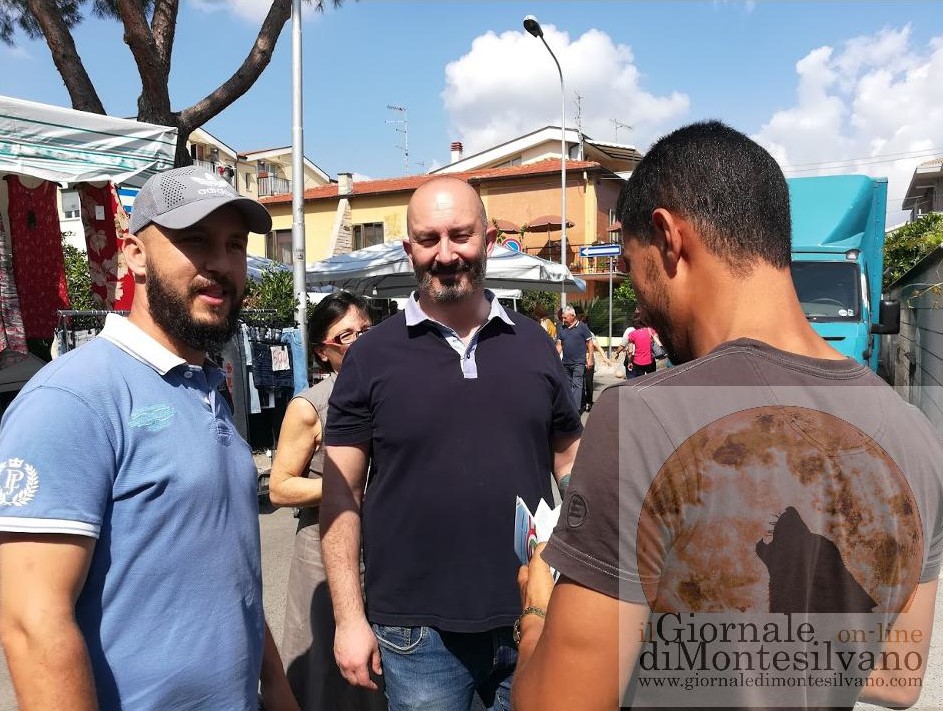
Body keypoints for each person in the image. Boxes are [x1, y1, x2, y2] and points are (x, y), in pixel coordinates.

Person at [511, 121, 942, 710]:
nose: (639, 306)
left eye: (634, 268)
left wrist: (536, 606)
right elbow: (896, 677)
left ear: (668, 238)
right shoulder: (916, 438)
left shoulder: (640, 418)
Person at [0, 166, 298, 710]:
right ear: (135, 255)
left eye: (234, 245)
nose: (220, 263)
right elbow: (31, 623)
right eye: (195, 241)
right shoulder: (72, 399)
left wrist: (276, 689)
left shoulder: (205, 386)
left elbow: (233, 579)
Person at [320, 176, 582, 711]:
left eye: (460, 235)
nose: (445, 254)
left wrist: (584, 555)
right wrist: (348, 618)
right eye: (428, 239)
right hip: (417, 632)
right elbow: (340, 493)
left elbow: (569, 457)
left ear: (489, 241)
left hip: (532, 609)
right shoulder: (371, 355)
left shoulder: (534, 342)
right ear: (409, 248)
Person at [270, 292, 386, 711]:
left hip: (380, 546)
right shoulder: (310, 406)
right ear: (322, 351)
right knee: (324, 665)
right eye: (346, 336)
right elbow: (281, 487)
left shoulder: (386, 391)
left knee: (379, 662)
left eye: (365, 330)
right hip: (322, 548)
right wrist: (345, 486)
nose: (359, 341)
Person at [555, 305, 593, 411]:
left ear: (573, 316)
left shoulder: (582, 327)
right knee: (567, 386)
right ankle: (571, 406)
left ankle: (575, 411)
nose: (563, 320)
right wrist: (554, 357)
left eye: (565, 317)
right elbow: (559, 345)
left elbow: (590, 343)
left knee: (577, 385)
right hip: (565, 363)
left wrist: (590, 358)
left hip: (578, 363)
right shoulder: (562, 328)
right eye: (562, 317)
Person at [576, 309, 609, 413]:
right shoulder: (576, 332)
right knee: (583, 383)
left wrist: (604, 357)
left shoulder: (588, 333)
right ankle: (585, 402)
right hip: (581, 361)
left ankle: (587, 402)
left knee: (585, 383)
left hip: (586, 361)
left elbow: (596, 345)